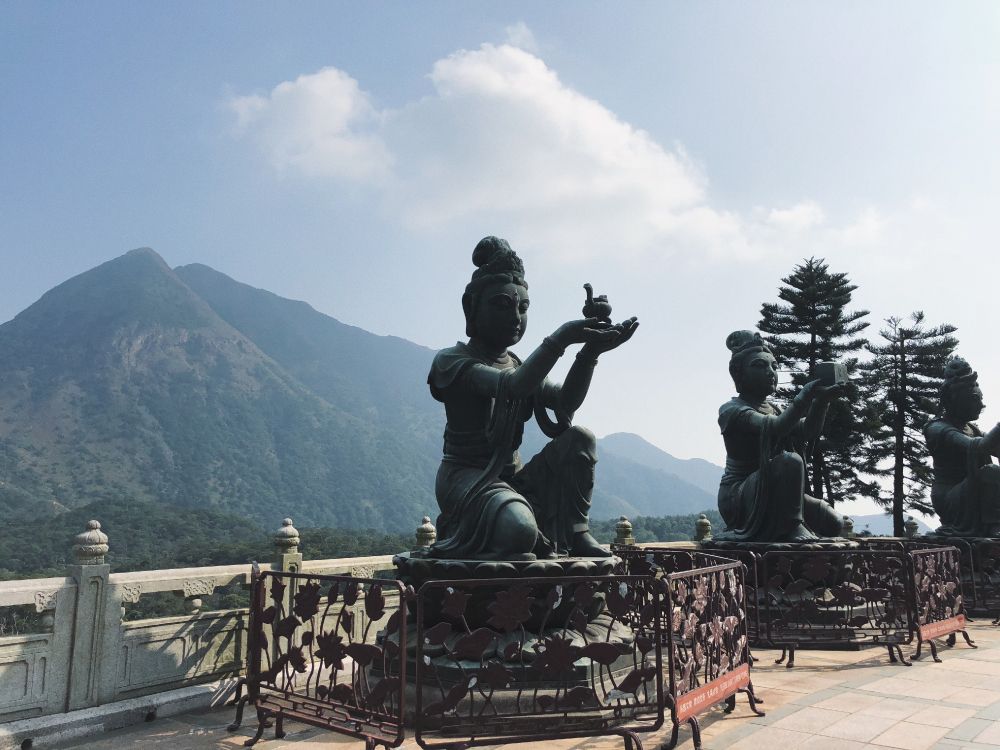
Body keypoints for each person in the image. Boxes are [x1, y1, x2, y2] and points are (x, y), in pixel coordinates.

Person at [427, 236, 638, 560]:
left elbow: (565, 403)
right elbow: (513, 386)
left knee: (580, 438)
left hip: (515, 480)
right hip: (468, 480)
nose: (515, 316)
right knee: (519, 531)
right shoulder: (452, 361)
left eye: (523, 307)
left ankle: (577, 531)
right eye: (502, 305)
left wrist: (590, 351)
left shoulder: (518, 363)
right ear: (472, 308)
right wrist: (562, 337)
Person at [716, 331, 844, 542]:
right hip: (741, 495)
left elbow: (808, 431)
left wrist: (822, 401)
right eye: (760, 366)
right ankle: (793, 526)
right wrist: (804, 397)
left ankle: (793, 523)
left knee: (833, 523)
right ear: (737, 373)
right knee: (789, 461)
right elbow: (778, 427)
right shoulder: (732, 410)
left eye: (774, 367)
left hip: (777, 491)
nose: (770, 372)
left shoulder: (774, 409)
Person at [925, 357, 1000, 536]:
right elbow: (980, 447)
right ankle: (993, 525)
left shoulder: (972, 428)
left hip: (973, 490)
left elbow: (994, 448)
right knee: (991, 471)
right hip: (951, 498)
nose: (981, 405)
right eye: (974, 399)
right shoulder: (937, 428)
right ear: (955, 400)